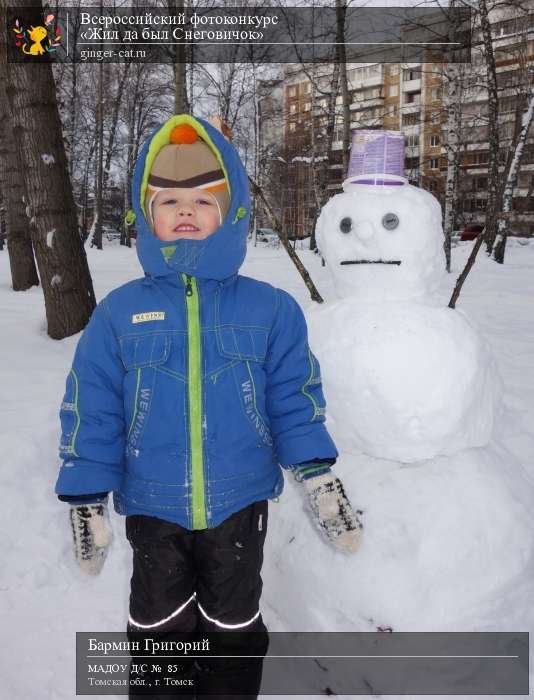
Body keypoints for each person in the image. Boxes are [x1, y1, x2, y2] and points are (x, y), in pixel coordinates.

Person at [55, 115, 363, 699]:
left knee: (232, 622)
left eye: (203, 199)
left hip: (238, 504)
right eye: (169, 200)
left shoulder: (271, 309)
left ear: (233, 211)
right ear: (147, 215)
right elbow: (91, 408)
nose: (186, 210)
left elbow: (294, 398)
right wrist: (85, 497)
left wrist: (319, 477)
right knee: (157, 626)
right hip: (153, 505)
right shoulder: (118, 313)